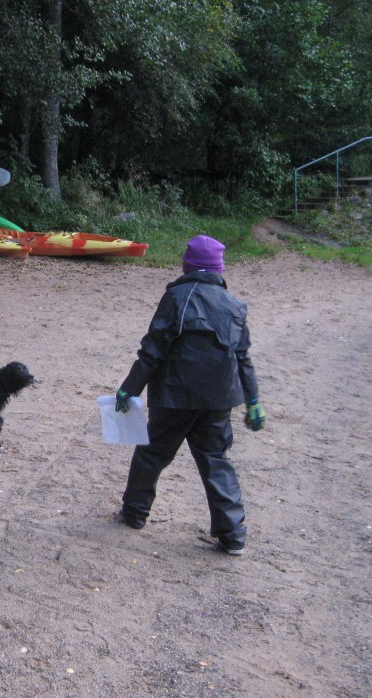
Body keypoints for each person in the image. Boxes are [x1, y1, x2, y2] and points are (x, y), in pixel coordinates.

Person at [113, 234, 265, 555]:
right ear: (219, 268)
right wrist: (253, 400)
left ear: (188, 265)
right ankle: (233, 535)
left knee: (152, 453)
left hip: (176, 396)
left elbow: (152, 350)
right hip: (218, 399)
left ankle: (135, 513)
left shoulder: (177, 298)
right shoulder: (235, 305)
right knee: (216, 460)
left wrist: (129, 388)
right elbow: (243, 357)